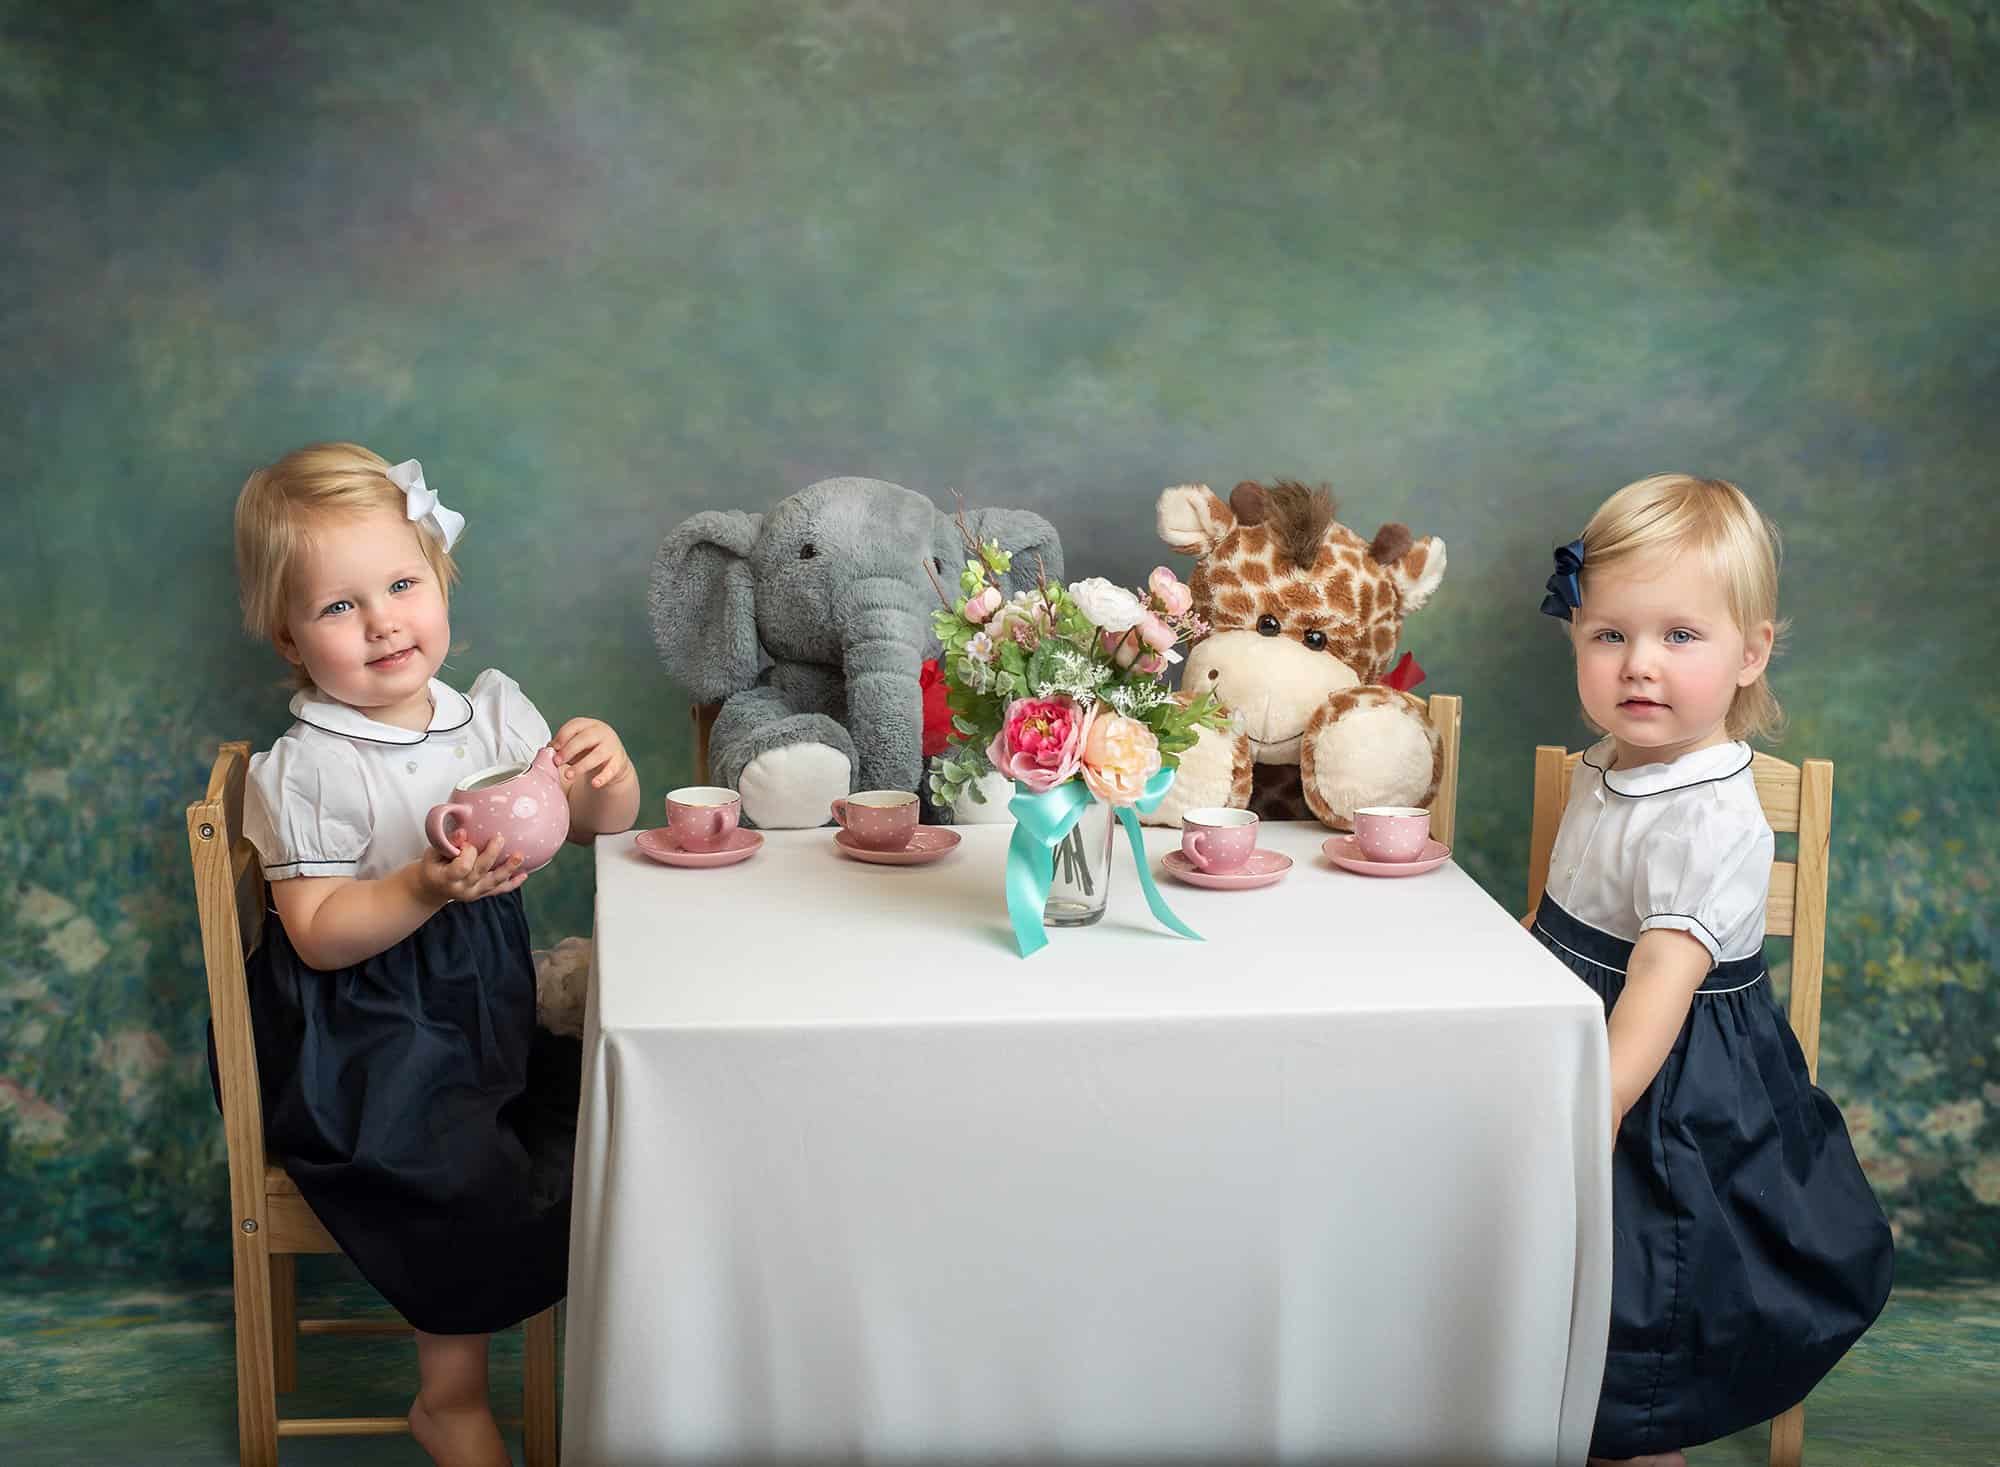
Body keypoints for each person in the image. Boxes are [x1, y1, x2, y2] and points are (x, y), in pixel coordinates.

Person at [233, 442, 639, 1466]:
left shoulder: (488, 717)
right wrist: (418, 885)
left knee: (597, 1111)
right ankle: (448, 1398)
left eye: (402, 585)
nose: (382, 622)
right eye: (339, 606)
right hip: (369, 1033)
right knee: (460, 1167)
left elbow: (597, 826)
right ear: (289, 635)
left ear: (440, 579)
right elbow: (317, 933)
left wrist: (606, 773)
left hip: (482, 1004)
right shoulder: (311, 768)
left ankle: (632, 1357)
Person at [1528, 474, 1892, 1466]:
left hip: (1664, 1086)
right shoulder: (1606, 764)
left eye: (1679, 636)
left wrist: (1594, 1107)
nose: (1638, 664)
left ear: (1750, 652)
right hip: (1575, 1028)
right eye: (1609, 634)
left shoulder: (1711, 816)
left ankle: (1642, 1444)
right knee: (1531, 1270)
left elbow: (1657, 981)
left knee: (1641, 1300)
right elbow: (1561, 915)